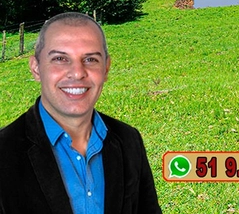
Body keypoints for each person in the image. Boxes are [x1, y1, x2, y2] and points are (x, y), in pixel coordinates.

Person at [0, 12, 161, 214]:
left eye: (91, 59)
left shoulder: (129, 140)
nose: (77, 73)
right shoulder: (4, 151)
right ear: (36, 68)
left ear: (106, 68)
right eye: (60, 58)